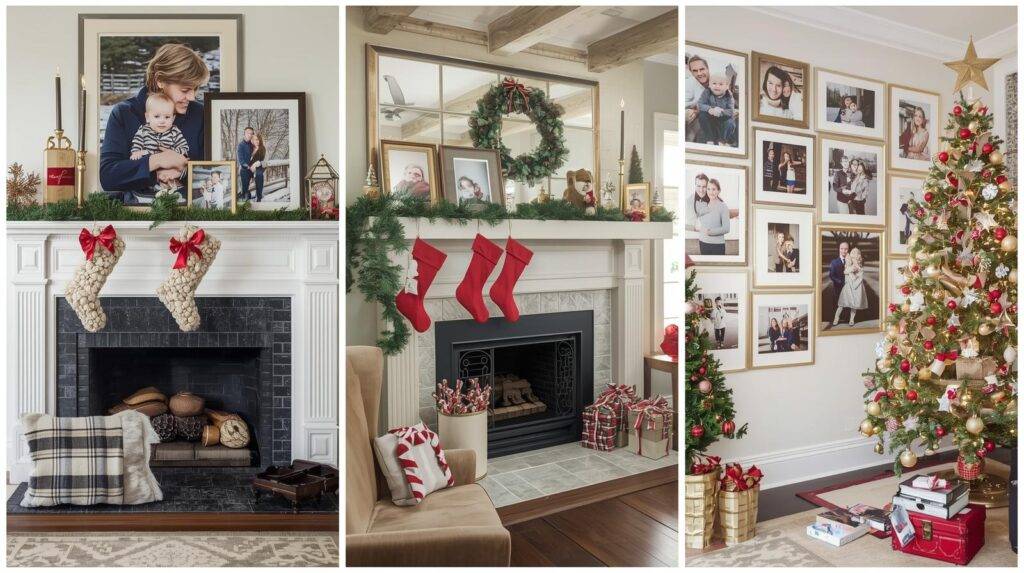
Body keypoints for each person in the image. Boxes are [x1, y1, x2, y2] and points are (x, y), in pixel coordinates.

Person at [100, 43, 210, 205]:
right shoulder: (124, 113)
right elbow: (108, 176)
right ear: (160, 80)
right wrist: (157, 161)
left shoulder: (200, 114)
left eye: (195, 89)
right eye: (185, 90)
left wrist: (182, 170)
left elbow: (213, 173)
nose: (192, 97)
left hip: (190, 215)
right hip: (135, 217)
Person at [127, 93, 190, 197]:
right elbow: (137, 143)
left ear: (173, 118)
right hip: (153, 165)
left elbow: (184, 148)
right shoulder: (143, 130)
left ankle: (174, 188)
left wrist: (174, 153)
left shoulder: (174, 131)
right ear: (147, 117)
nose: (162, 121)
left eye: (167, 117)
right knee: (147, 170)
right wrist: (136, 152)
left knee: (175, 171)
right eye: (157, 116)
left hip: (172, 164)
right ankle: (155, 188)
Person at [697, 72, 737, 146]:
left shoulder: (729, 95)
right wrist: (710, 109)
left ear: (727, 86)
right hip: (710, 117)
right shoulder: (707, 92)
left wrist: (721, 112)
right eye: (714, 83)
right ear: (709, 85)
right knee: (702, 115)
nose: (717, 86)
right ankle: (710, 139)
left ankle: (722, 140)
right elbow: (700, 104)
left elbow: (731, 111)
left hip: (723, 118)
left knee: (730, 122)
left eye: (721, 84)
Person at [693, 178, 730, 255]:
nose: (711, 192)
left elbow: (726, 228)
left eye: (714, 189)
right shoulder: (703, 205)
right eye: (708, 189)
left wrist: (710, 232)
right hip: (702, 242)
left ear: (719, 191)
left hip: (717, 245)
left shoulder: (723, 206)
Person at [834, 247, 868, 326]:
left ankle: (851, 319)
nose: (854, 260)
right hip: (848, 286)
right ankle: (836, 318)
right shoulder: (848, 267)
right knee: (842, 304)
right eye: (853, 258)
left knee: (854, 305)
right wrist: (851, 272)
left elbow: (859, 278)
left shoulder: (860, 269)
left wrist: (855, 274)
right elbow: (846, 272)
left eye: (856, 258)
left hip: (857, 287)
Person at [685, 55, 710, 143]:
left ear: (707, 68)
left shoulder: (714, 81)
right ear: (691, 72)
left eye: (702, 69)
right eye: (695, 71)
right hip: (694, 117)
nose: (699, 73)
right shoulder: (688, 84)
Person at [828, 241, 849, 326]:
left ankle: (847, 318)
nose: (844, 251)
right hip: (838, 286)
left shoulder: (850, 261)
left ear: (848, 250)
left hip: (848, 286)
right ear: (839, 249)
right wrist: (839, 282)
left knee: (848, 302)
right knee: (838, 302)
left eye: (846, 249)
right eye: (842, 249)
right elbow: (831, 275)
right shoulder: (834, 262)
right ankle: (837, 318)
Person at [237, 127, 255, 200]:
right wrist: (248, 167)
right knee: (245, 188)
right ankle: (244, 200)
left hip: (252, 169)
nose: (250, 135)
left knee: (248, 187)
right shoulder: (241, 145)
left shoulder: (252, 145)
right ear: (244, 134)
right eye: (248, 133)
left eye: (251, 133)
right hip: (244, 170)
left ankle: (248, 198)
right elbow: (241, 160)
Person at [249, 132, 266, 202]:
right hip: (249, 166)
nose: (257, 141)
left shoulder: (262, 148)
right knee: (243, 174)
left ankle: (259, 196)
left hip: (259, 166)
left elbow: (261, 160)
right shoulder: (250, 148)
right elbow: (247, 159)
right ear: (252, 140)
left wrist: (254, 165)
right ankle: (247, 195)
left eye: (258, 140)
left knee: (259, 175)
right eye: (255, 139)